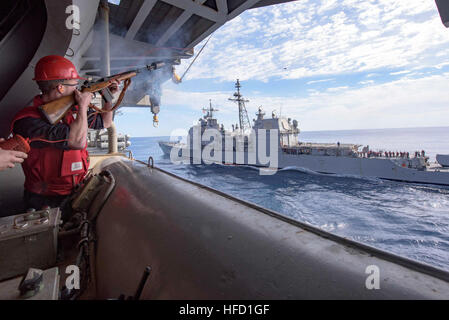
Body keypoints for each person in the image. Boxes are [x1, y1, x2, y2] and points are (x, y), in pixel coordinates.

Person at [10, 55, 120, 211]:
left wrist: (108, 97)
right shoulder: (28, 121)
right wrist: (83, 107)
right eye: (74, 85)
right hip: (44, 200)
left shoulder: (71, 109)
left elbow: (105, 122)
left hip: (76, 190)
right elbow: (76, 142)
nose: (77, 89)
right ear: (61, 87)